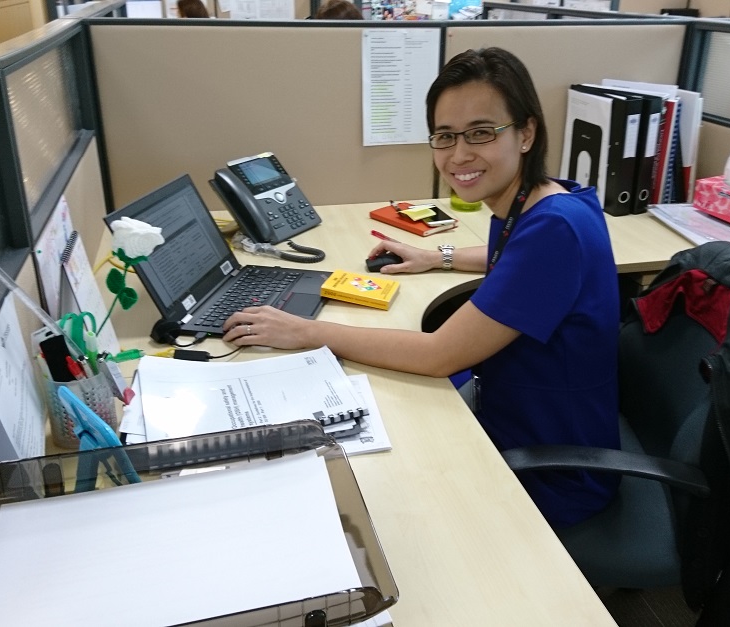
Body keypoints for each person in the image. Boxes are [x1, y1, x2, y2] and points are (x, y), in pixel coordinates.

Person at [223, 47, 620, 528]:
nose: (458, 156)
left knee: (371, 496)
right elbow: (515, 263)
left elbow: (440, 355)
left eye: (480, 133)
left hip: (547, 467)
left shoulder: (553, 231)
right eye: (445, 136)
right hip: (515, 414)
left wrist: (307, 333)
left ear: (526, 133)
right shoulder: (543, 201)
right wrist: (438, 257)